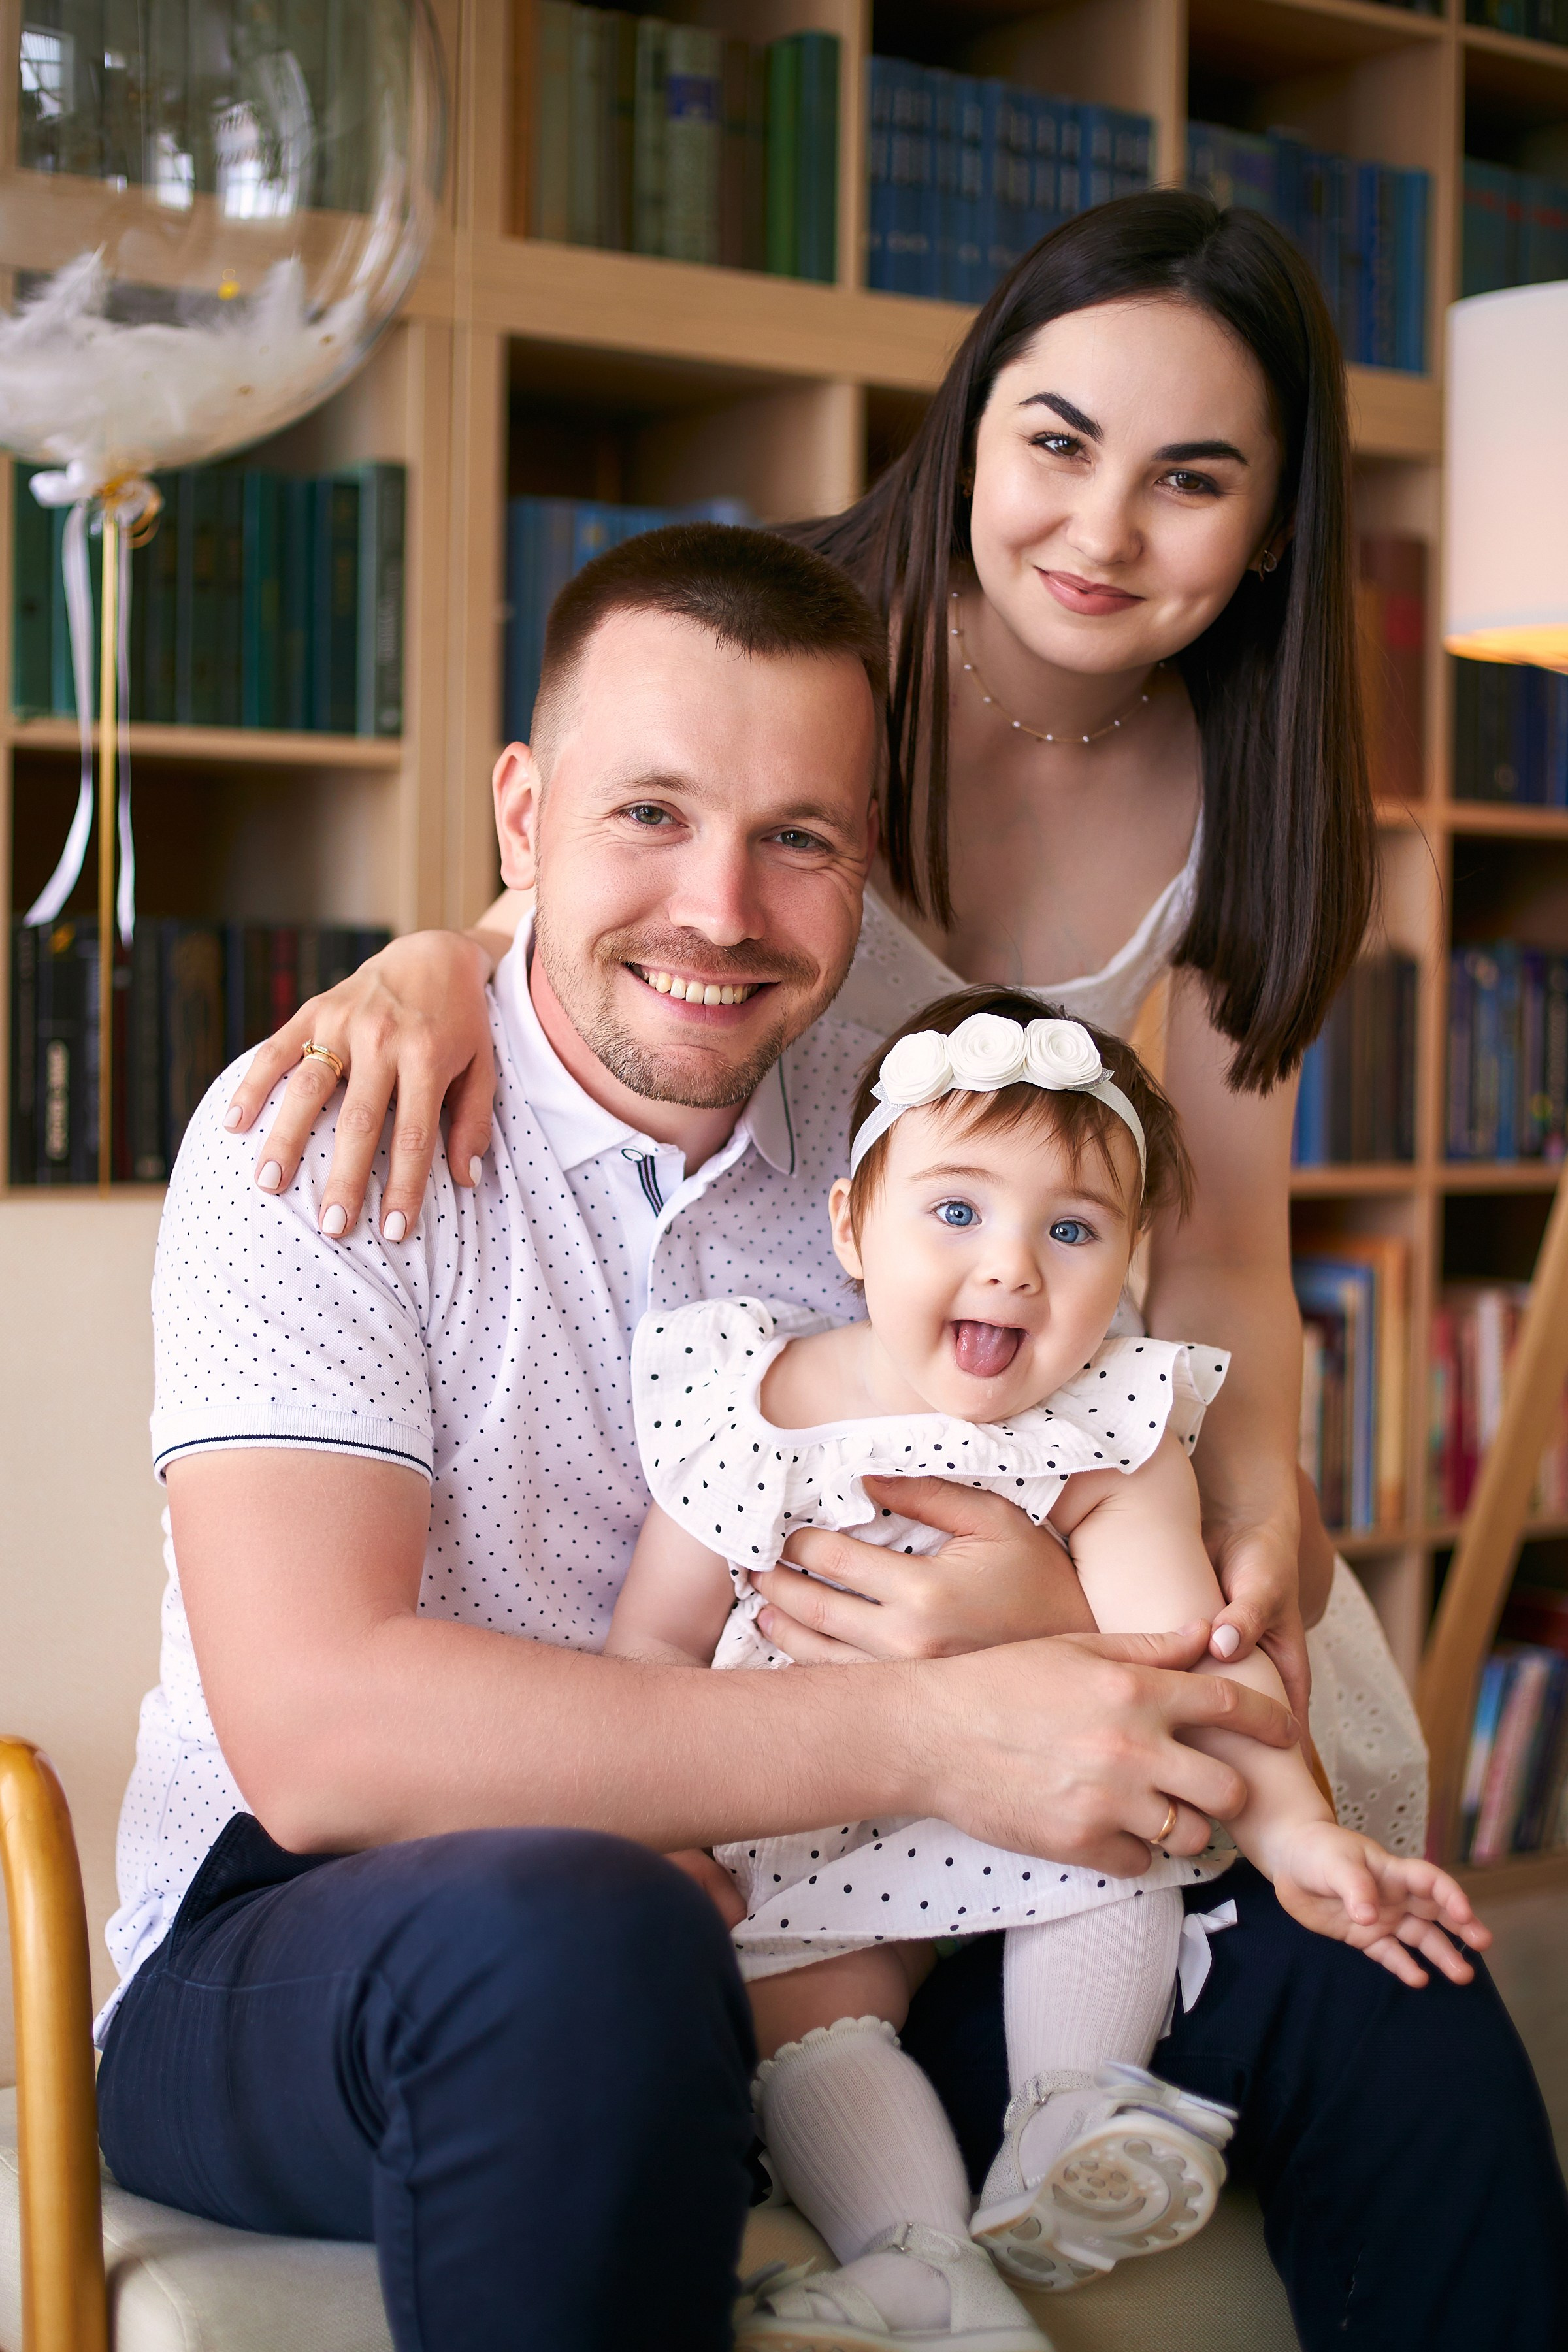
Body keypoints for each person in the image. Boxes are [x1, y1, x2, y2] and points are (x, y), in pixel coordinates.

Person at [99, 526, 1313, 2352]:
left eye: (799, 840)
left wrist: (1048, 1622)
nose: (724, 909)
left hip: (829, 1893)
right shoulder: (324, 1129)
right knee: (583, 1938)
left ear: (868, 866)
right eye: (649, 814)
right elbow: (322, 1739)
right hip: (308, 1939)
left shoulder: (912, 1106)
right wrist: (929, 1718)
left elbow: (1099, 1451)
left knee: (1363, 1964)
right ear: (522, 822)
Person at [227, 191, 1416, 1860]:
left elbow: (1222, 1255)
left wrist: (1251, 1511)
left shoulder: (1255, 795)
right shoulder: (821, 642)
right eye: (1058, 444)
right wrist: (427, 954)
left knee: (1266, 1792)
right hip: (796, 1370)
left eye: (1194, 482)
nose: (1103, 531)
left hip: (1017, 1373)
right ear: (970, 424)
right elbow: (610, 901)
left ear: (1278, 523)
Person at [606, 990, 1486, 2349]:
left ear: (1128, 1263)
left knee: (1126, 1829)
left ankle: (1077, 2113)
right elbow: (652, 1652)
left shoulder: (1110, 1431)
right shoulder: (753, 1403)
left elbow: (1185, 1666)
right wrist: (655, 1841)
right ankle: (921, 2267)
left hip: (1045, 1806)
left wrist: (1304, 1831)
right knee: (802, 2001)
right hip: (810, 1811)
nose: (1013, 1266)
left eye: (1071, 1230)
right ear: (851, 1225)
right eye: (955, 1212)